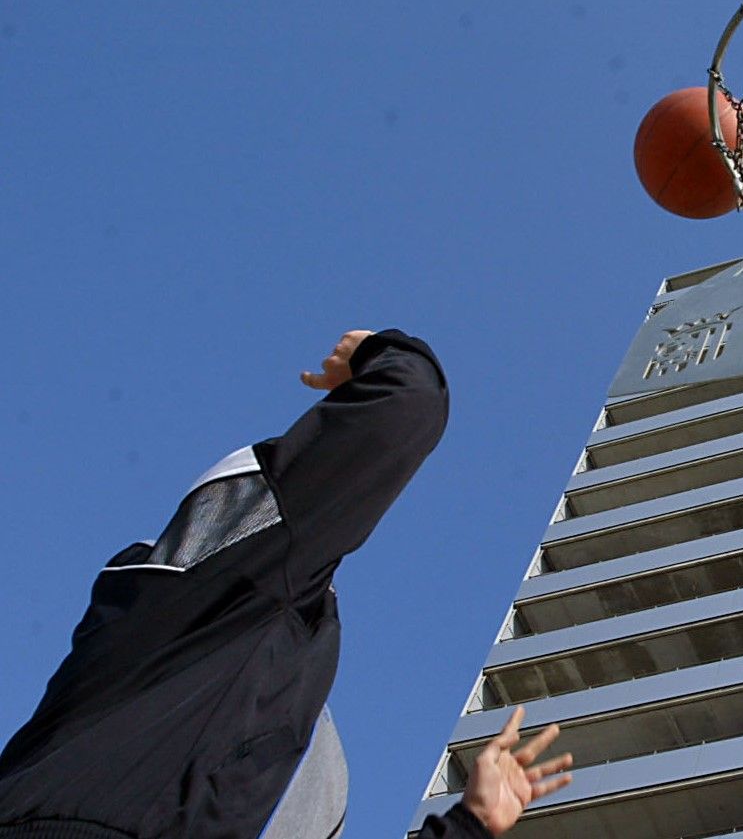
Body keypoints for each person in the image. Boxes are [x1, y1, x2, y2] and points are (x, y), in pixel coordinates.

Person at [0, 330, 571, 838]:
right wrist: (381, 353)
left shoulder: (183, 657)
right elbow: (406, 405)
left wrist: (469, 825)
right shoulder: (226, 580)